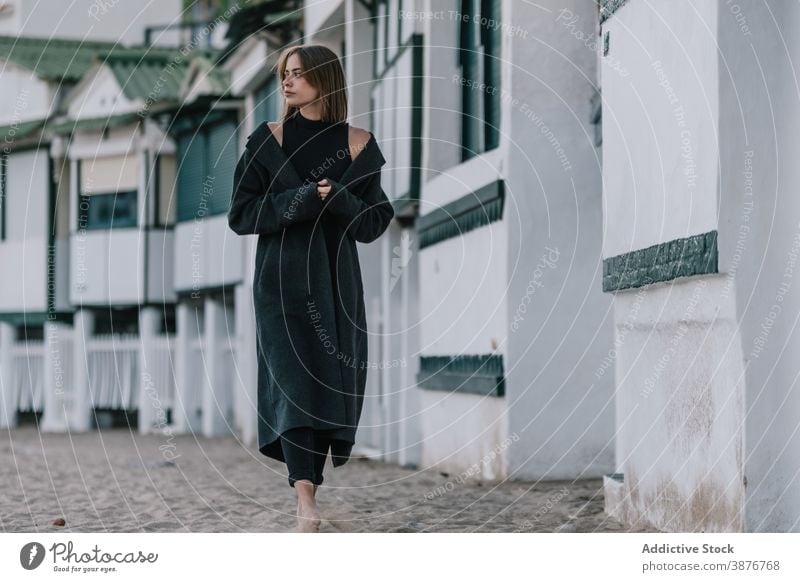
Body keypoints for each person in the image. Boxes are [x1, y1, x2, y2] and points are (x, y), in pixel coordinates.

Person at [228, 44, 394, 533]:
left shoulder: (360, 144)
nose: (287, 82)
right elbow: (241, 215)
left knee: (327, 384)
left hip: (336, 283)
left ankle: (312, 492)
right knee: (291, 385)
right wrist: (301, 199)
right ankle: (305, 502)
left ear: (325, 78)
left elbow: (374, 222)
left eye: (298, 74)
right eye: (284, 73)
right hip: (278, 283)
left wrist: (339, 198)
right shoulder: (266, 141)